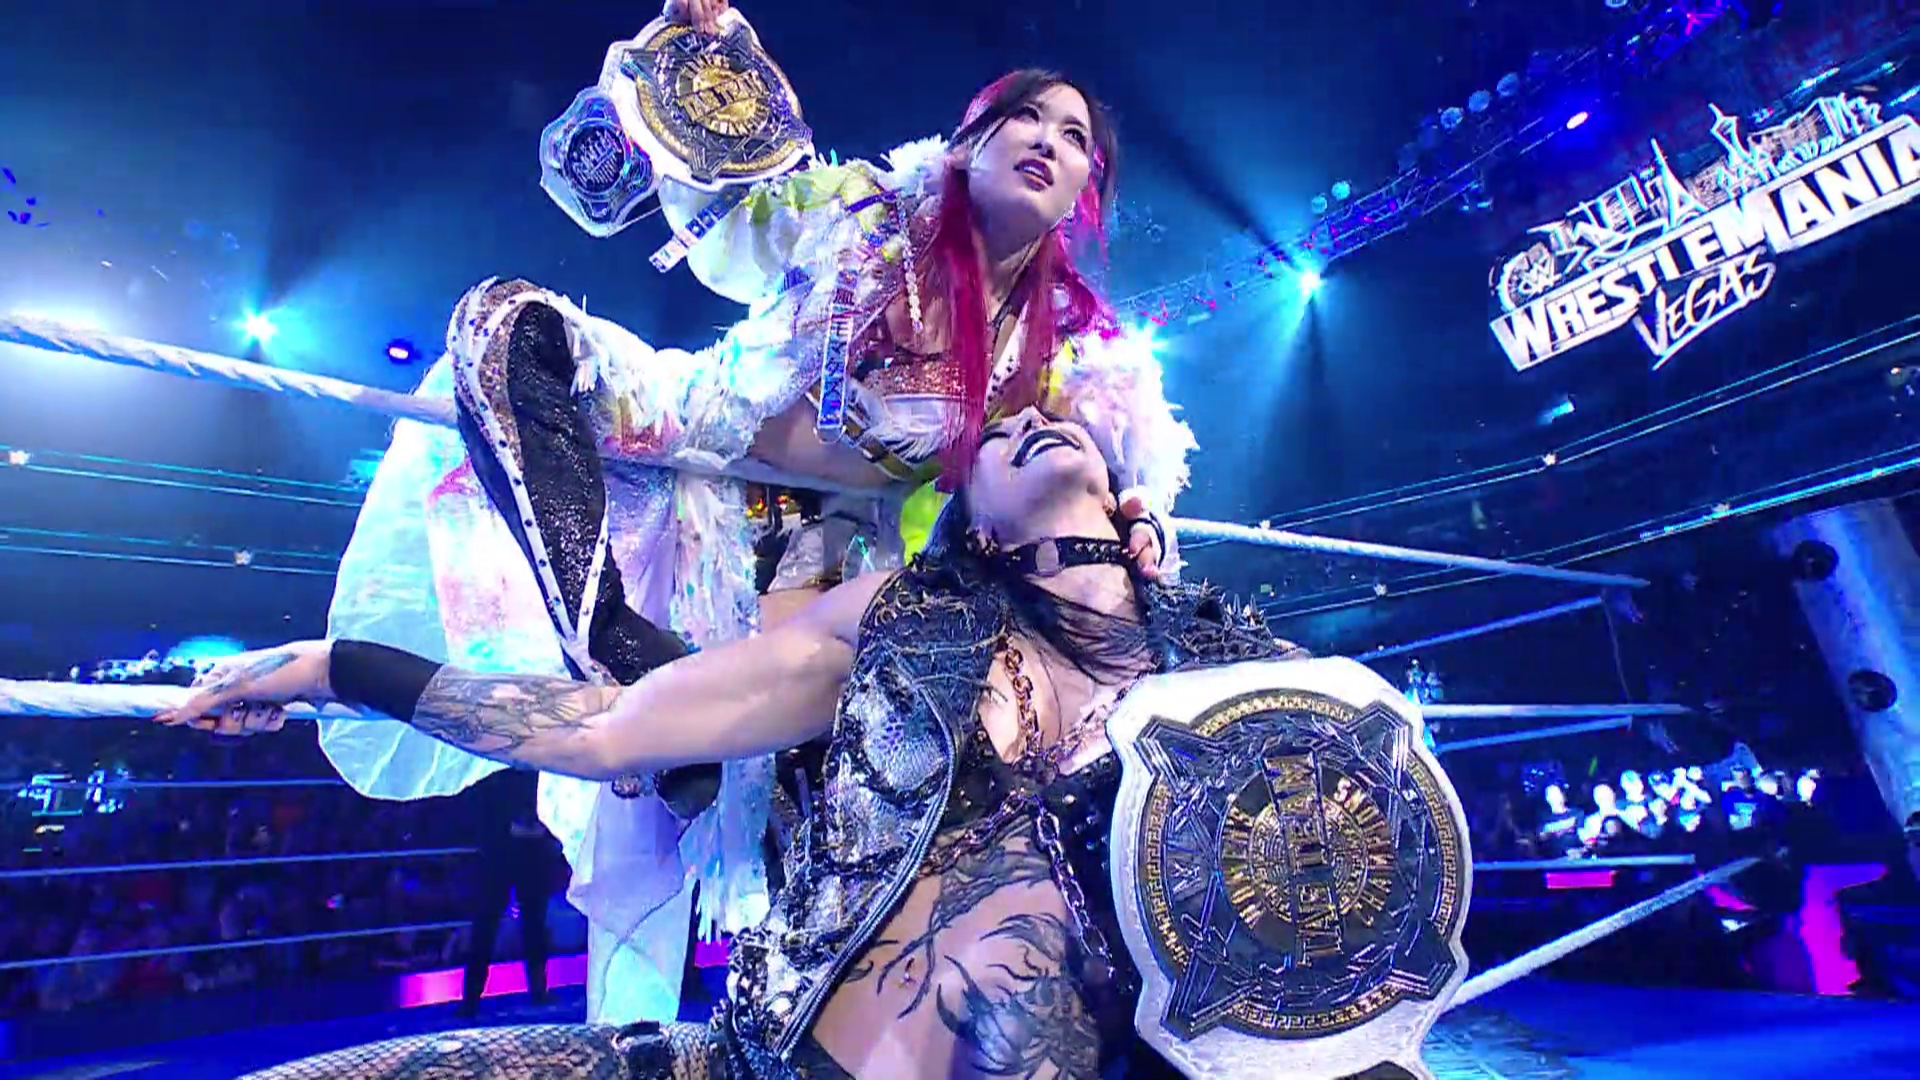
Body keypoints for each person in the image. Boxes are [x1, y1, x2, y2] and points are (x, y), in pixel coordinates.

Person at [322, 0, 1188, 1023]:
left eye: (1074, 135)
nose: (1046, 140)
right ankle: (617, 648)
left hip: (836, 555)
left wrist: (1145, 512)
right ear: (966, 142)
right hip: (691, 438)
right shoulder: (866, 209)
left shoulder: (1062, 351)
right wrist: (711, 60)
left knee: (816, 823)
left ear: (1087, 187)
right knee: (502, 326)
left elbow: (1119, 468)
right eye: (1024, 118)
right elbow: (732, 225)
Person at [159, 408, 1293, 1079]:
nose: (1029, 423)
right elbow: (611, 727)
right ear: (972, 521)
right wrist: (338, 669)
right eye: (995, 432)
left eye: (1058, 422)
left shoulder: (1240, 667)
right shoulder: (905, 614)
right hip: (768, 1063)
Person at [461, 768, 557, 1018]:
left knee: (531, 921)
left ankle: (537, 989)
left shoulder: (526, 770)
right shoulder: (497, 775)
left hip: (527, 849)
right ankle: (472, 997)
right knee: (489, 921)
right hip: (501, 848)